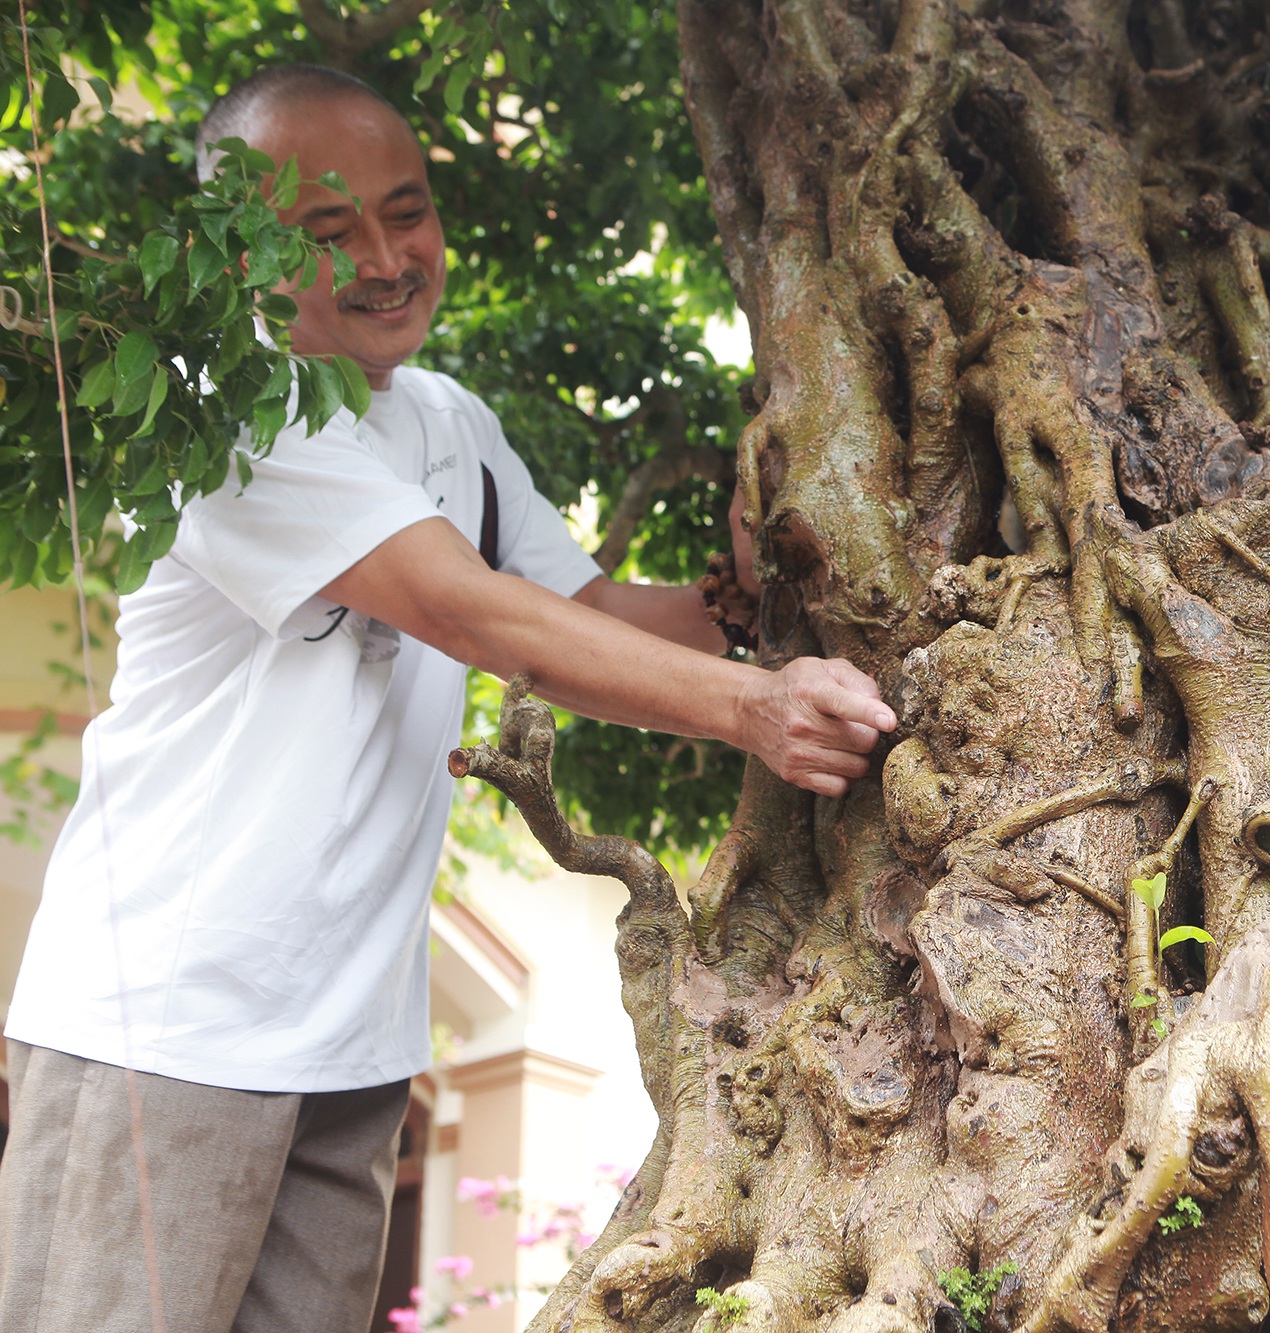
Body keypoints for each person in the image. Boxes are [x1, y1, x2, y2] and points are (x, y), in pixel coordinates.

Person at [0, 65, 894, 1333]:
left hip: (351, 1041)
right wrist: (753, 709)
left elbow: (581, 612)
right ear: (238, 252)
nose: (382, 256)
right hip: (169, 1029)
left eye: (403, 212)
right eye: (325, 231)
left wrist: (751, 598)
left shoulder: (447, 421)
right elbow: (473, 615)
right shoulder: (227, 413)